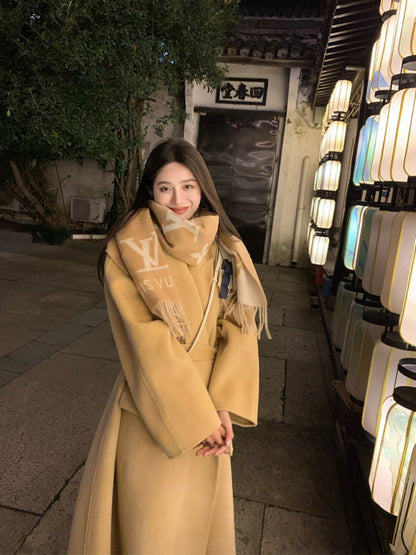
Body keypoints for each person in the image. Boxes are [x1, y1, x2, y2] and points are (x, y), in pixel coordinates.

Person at [68, 137, 269, 555]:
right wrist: (197, 417)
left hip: (212, 403)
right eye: (165, 188)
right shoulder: (129, 248)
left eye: (188, 186)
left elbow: (239, 326)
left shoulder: (226, 248)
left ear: (203, 188)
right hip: (154, 403)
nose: (178, 200)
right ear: (150, 190)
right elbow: (145, 339)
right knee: (149, 526)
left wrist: (223, 406)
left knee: (195, 527)